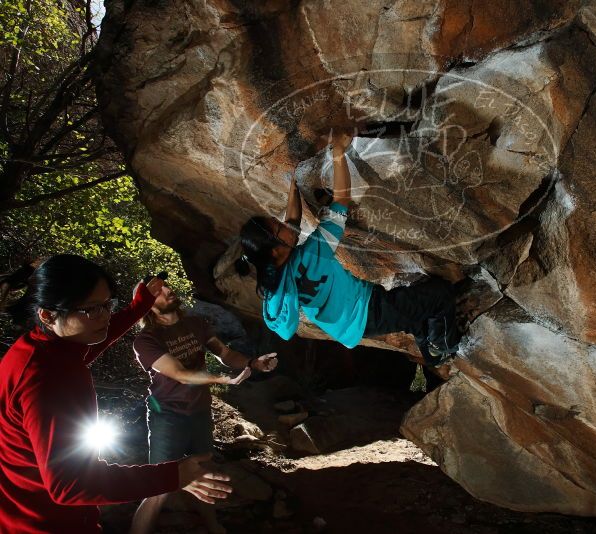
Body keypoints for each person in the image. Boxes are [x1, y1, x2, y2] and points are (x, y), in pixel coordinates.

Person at [0, 254, 232, 534]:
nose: (105, 316)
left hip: (23, 513)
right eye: (91, 310)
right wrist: (174, 475)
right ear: (48, 315)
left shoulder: (43, 348)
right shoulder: (47, 379)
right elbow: (70, 485)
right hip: (47, 524)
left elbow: (103, 334)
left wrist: (140, 305)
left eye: (107, 305)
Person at [238, 130, 462, 365]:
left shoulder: (275, 279)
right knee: (441, 294)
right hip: (369, 311)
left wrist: (294, 183)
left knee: (413, 314)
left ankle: (427, 347)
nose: (285, 222)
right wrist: (338, 154)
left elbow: (292, 222)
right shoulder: (313, 254)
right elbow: (341, 201)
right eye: (278, 227)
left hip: (350, 321)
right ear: (275, 249)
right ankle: (441, 349)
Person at [130, 279, 278, 534]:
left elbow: (226, 353)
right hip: (167, 414)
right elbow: (180, 374)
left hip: (199, 409)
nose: (167, 290)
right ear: (147, 305)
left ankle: (214, 527)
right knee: (160, 487)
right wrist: (222, 379)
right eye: (158, 292)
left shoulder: (196, 323)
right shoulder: (146, 340)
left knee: (205, 472)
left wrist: (253, 363)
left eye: (165, 285)